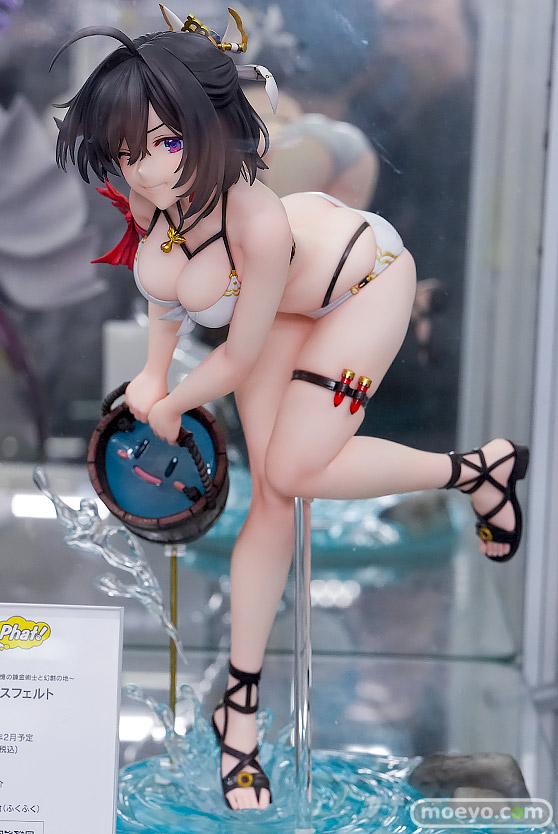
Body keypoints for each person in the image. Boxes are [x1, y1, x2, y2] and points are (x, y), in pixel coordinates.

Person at [52, 8, 529, 812]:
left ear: (207, 128)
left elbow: (234, 359)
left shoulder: (258, 221)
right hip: (275, 313)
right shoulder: (155, 220)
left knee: (295, 469)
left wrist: (172, 400)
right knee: (272, 498)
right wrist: (151, 378)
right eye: (129, 152)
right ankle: (238, 718)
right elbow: (166, 315)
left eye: (166, 143)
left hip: (363, 282)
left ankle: (475, 471)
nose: (147, 170)